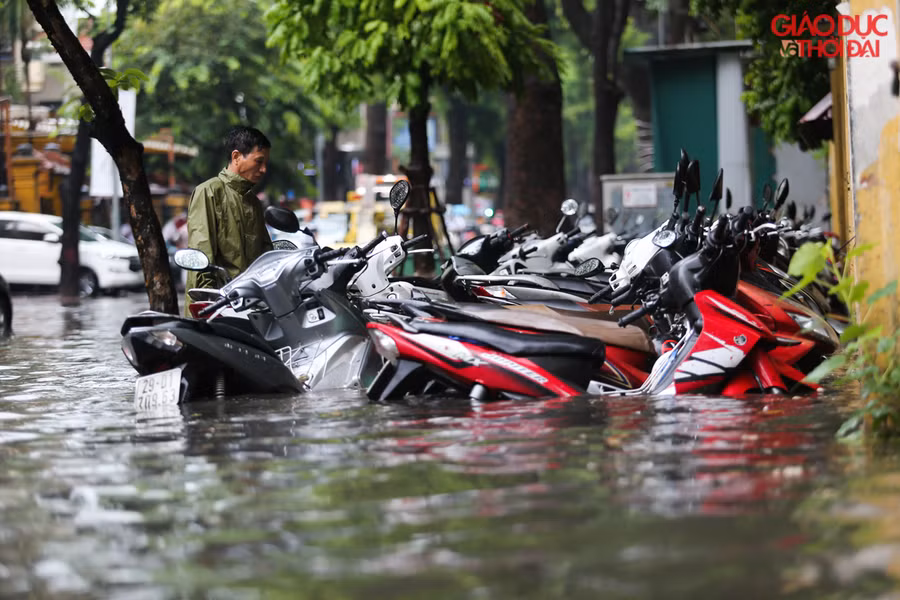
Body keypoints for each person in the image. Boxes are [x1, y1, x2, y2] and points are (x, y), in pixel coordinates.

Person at [184, 126, 274, 314]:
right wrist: (208, 303)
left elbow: (266, 255)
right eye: (259, 161)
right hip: (217, 305)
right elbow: (201, 254)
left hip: (249, 305)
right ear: (236, 157)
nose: (264, 169)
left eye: (266, 163)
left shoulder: (253, 202)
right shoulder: (209, 192)